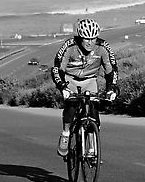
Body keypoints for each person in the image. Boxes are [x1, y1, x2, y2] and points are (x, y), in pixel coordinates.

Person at [51, 18, 119, 157]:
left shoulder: (103, 47)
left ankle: (93, 146)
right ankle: (66, 133)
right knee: (72, 104)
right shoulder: (69, 46)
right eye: (86, 38)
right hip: (70, 79)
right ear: (80, 37)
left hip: (90, 80)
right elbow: (57, 69)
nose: (89, 42)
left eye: (93, 38)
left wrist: (111, 87)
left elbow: (111, 70)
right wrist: (63, 87)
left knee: (94, 109)